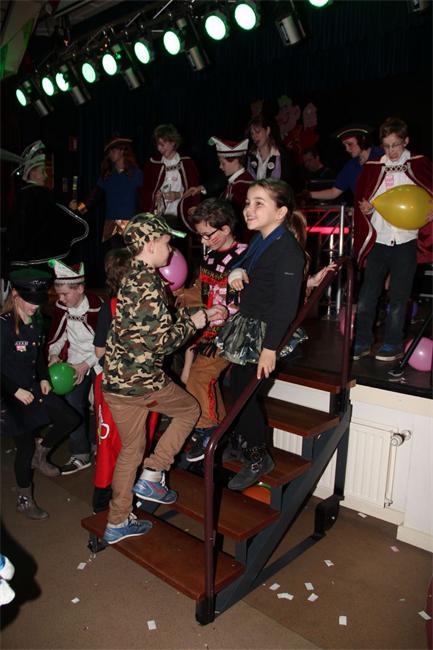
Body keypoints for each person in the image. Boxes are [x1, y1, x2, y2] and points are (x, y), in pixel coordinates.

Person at [101, 213, 226, 544]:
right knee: (189, 410)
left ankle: (117, 522)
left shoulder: (130, 276)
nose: (172, 251)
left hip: (116, 382)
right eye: (168, 243)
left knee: (131, 450)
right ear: (150, 244)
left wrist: (196, 314)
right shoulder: (148, 284)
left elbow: (150, 323)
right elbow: (163, 342)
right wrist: (196, 323)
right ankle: (154, 473)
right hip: (141, 382)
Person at [215, 179, 306, 490]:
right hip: (251, 326)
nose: (248, 209)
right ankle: (245, 443)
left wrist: (270, 348)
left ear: (280, 212)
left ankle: (258, 456)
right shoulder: (261, 239)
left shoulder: (288, 250)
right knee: (239, 390)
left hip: (266, 333)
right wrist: (237, 270)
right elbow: (244, 260)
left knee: (243, 393)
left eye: (258, 203)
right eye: (247, 202)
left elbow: (286, 306)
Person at [0, 269, 79, 519]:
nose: (35, 306)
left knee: (70, 418)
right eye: (29, 301)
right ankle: (24, 500)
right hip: (9, 395)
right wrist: (15, 390)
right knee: (23, 448)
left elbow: (38, 357)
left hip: (33, 388)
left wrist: (44, 377)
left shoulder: (36, 322)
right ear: (15, 295)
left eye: (38, 301)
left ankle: (41, 453)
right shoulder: (3, 325)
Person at [352, 117, 433, 362]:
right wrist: (367, 208)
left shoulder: (419, 164)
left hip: (406, 241)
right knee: (367, 296)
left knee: (398, 297)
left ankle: (393, 344)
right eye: (386, 146)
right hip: (380, 240)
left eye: (396, 145)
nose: (391, 151)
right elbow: (365, 199)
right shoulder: (374, 167)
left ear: (406, 141)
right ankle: (362, 341)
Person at [175, 198, 248, 462]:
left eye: (208, 235)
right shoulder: (209, 257)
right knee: (199, 377)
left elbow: (251, 295)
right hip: (210, 329)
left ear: (226, 228)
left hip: (234, 332)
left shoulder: (246, 255)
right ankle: (214, 426)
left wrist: (231, 305)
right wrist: (183, 296)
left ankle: (208, 429)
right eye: (201, 235)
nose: (204, 241)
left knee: (200, 376)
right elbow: (202, 292)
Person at [47, 260, 103, 473]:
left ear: (80, 289)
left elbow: (107, 343)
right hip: (73, 361)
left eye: (65, 294)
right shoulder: (62, 307)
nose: (60, 299)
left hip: (98, 362)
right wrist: (54, 354)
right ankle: (80, 453)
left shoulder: (98, 306)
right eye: (59, 294)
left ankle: (99, 444)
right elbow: (58, 335)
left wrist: (85, 365)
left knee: (100, 405)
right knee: (72, 405)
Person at [8, 141, 88, 268]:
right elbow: (60, 220)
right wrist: (75, 211)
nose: (46, 176)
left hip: (17, 263)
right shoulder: (41, 194)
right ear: (32, 173)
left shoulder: (19, 196)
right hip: (40, 263)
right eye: (43, 171)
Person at [70, 135, 143, 246]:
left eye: (113, 150)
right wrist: (78, 210)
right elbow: (93, 197)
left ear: (122, 151)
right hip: (111, 225)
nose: (110, 154)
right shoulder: (107, 176)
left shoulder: (136, 174)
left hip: (131, 224)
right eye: (109, 152)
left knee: (131, 256)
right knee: (113, 256)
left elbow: (143, 199)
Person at [141, 123, 200, 231]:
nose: (159, 148)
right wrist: (155, 198)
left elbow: (195, 192)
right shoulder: (153, 164)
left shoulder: (187, 163)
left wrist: (178, 195)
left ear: (173, 142)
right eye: (157, 145)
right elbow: (146, 192)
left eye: (162, 145)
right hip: (159, 218)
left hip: (181, 217)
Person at [308, 126, 382, 204]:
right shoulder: (351, 166)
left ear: (362, 140)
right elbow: (333, 192)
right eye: (345, 146)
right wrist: (308, 194)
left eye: (350, 144)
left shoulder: (382, 156)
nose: (347, 149)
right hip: (362, 210)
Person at [247, 113, 296, 186]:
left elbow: (286, 185)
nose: (254, 136)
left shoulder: (282, 155)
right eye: (252, 134)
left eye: (257, 132)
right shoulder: (251, 156)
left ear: (267, 130)